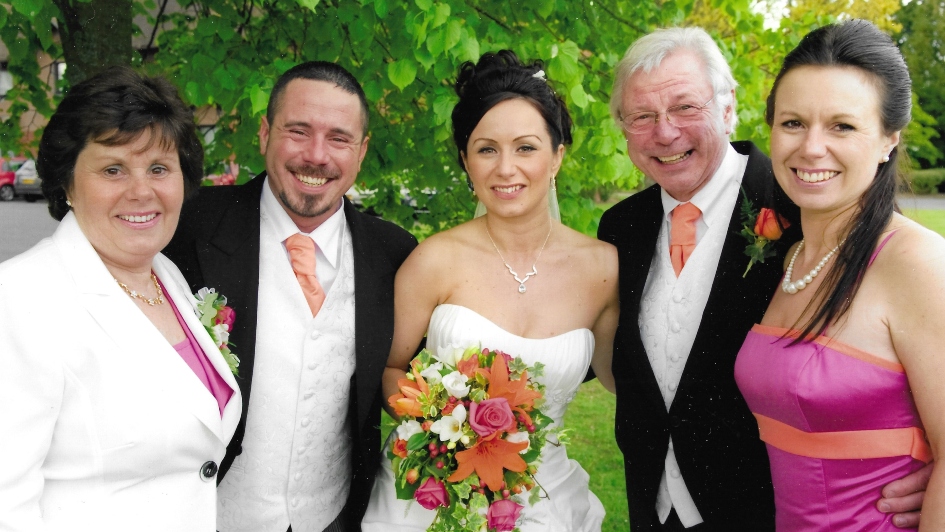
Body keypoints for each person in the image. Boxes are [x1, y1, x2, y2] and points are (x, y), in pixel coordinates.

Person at [598, 26, 931, 531]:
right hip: (651, 508)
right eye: (642, 116)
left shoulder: (803, 204)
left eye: (686, 107)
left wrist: (923, 466)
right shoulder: (620, 228)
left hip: (767, 513)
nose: (665, 133)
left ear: (728, 106)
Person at [361, 50, 619, 531]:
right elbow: (390, 367)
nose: (506, 169)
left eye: (526, 147)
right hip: (433, 496)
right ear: (465, 161)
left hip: (545, 501)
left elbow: (625, 379)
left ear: (557, 155)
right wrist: (442, 430)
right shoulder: (433, 260)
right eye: (486, 149)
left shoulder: (603, 268)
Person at [163, 61, 417, 532]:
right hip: (206, 515)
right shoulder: (186, 228)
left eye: (339, 139)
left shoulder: (396, 255)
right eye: (298, 131)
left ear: (361, 152)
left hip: (336, 515)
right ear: (263, 134)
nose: (317, 155)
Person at [0, 66, 241, 531]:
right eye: (113, 169)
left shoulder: (166, 277)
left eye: (158, 168)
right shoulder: (22, 300)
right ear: (68, 184)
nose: (141, 191)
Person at [734, 20, 945, 531]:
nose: (810, 148)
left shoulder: (915, 264)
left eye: (842, 126)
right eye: (792, 123)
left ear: (888, 141)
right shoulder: (790, 258)